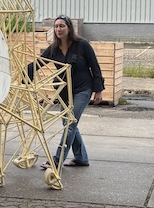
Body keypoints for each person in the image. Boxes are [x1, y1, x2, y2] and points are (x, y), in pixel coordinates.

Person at [37, 15, 104, 168]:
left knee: (70, 124)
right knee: (69, 123)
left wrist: (98, 90)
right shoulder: (53, 48)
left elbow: (95, 67)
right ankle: (81, 158)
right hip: (64, 92)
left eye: (62, 26)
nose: (59, 29)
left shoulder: (82, 45)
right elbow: (39, 63)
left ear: (69, 28)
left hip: (82, 89)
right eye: (56, 26)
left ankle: (57, 160)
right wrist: (21, 74)